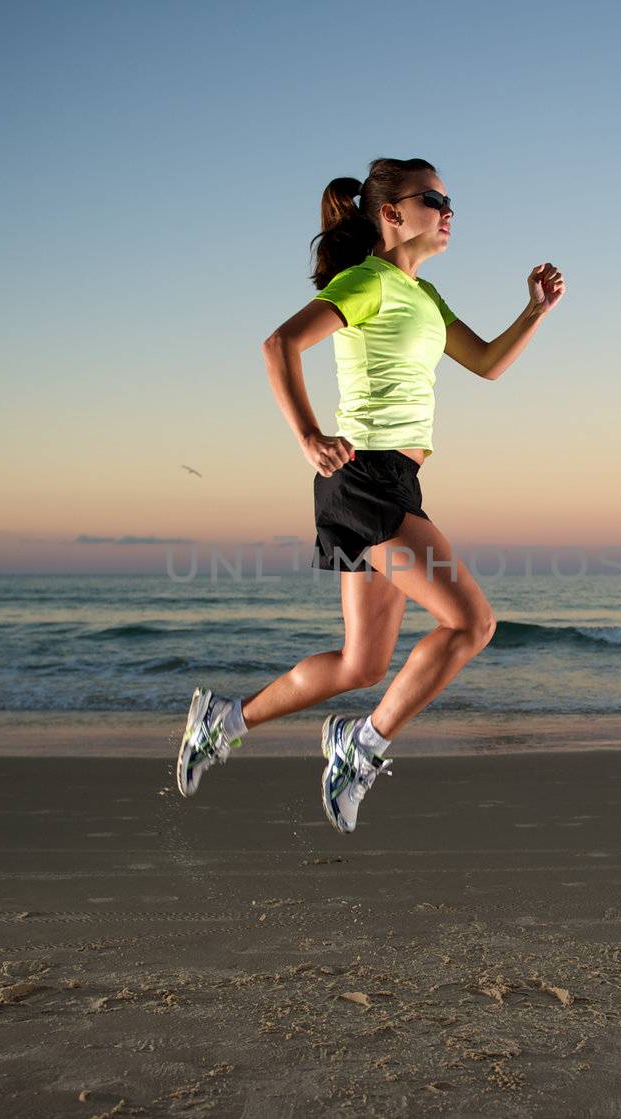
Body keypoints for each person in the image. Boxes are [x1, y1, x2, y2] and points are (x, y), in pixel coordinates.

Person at [175, 156, 565, 833]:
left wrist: (533, 311)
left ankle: (223, 719)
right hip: (366, 478)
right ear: (391, 213)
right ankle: (364, 744)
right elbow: (280, 343)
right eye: (432, 197)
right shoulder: (369, 282)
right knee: (472, 623)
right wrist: (306, 434)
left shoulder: (426, 297)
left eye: (449, 199)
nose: (447, 209)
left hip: (386, 483)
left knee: (362, 661)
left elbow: (488, 363)